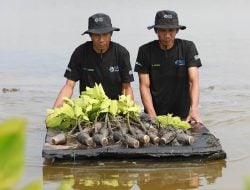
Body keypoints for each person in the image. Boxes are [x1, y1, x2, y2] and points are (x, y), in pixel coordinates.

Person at [134, 10, 202, 123]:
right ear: (156, 30)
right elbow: (144, 86)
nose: (167, 35)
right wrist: (152, 115)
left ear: (177, 30)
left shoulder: (188, 47)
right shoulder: (145, 51)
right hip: (155, 114)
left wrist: (194, 109)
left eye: (171, 30)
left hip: (183, 115)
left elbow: (193, 81)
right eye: (162, 30)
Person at [53, 13, 134, 108]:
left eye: (105, 34)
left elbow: (126, 87)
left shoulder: (121, 53)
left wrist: (128, 109)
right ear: (90, 36)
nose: (101, 39)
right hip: (88, 106)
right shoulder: (80, 52)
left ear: (111, 34)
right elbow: (69, 86)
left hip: (114, 106)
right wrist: (55, 110)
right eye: (97, 35)